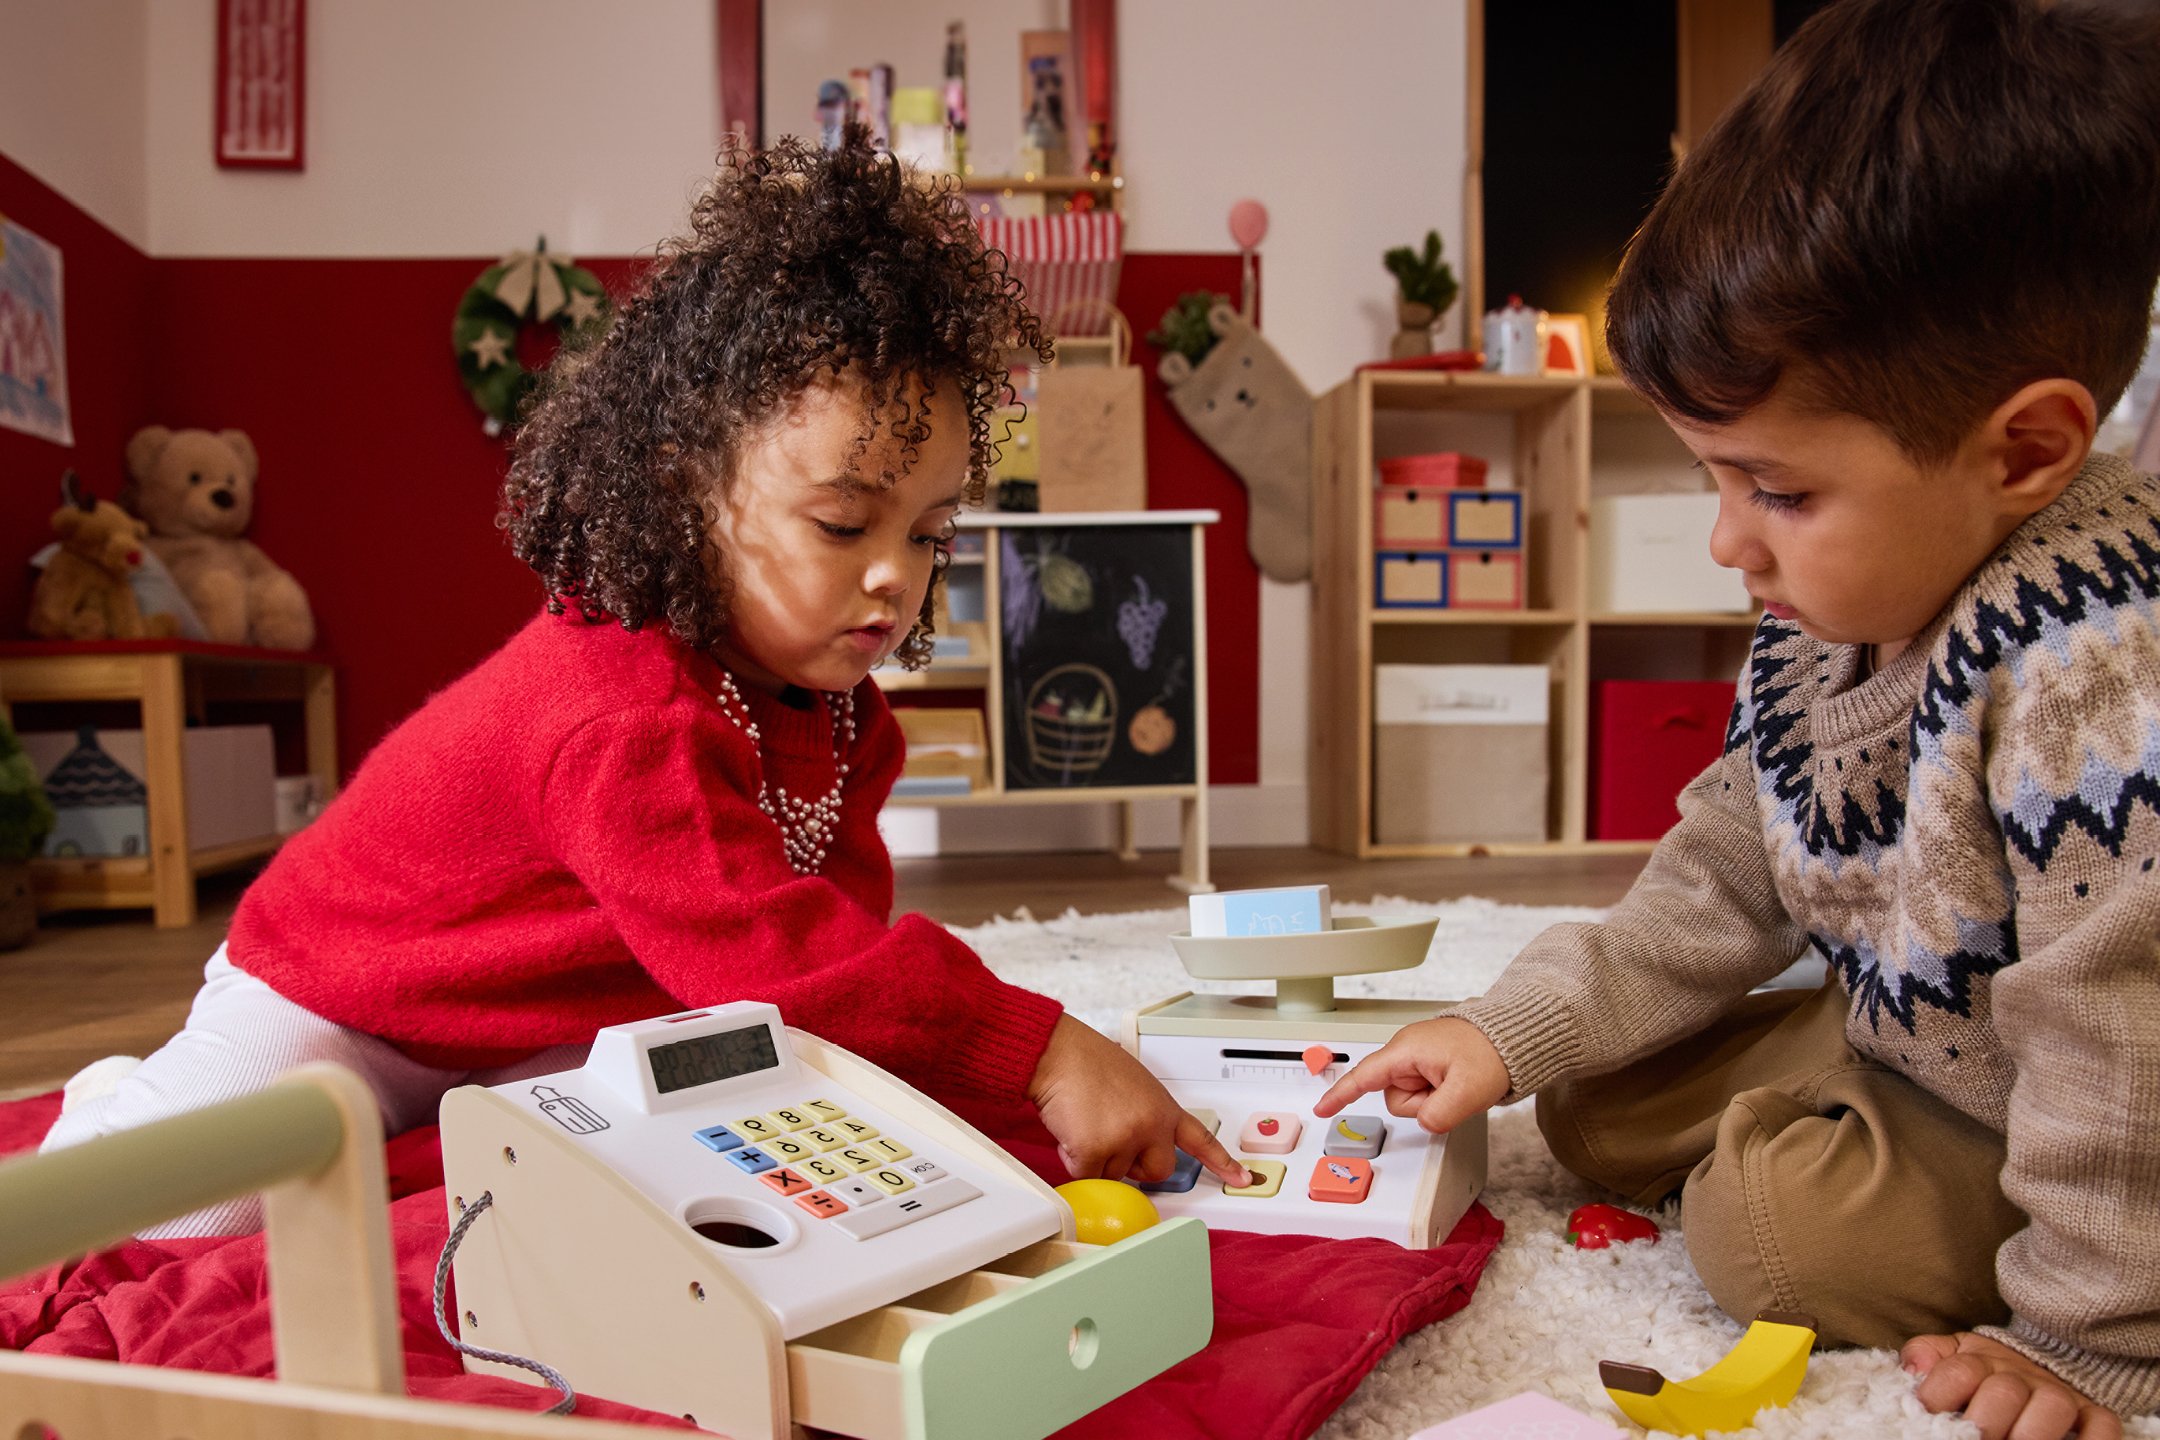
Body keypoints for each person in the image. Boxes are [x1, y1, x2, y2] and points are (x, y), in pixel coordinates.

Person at [44, 132, 1245, 1233]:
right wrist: (1035, 1050)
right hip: (346, 997)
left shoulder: (842, 716)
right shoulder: (621, 709)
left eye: (929, 536)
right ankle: (124, 1101)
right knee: (171, 1210)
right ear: (688, 494)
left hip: (547, 1015)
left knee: (654, 1172)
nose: (895, 579)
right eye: (840, 525)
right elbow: (780, 957)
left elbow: (829, 950)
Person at [1317, 3, 2160, 1437]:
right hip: (1915, 1028)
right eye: (1713, 479)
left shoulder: (2096, 669)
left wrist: (2088, 1333)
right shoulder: (1830, 616)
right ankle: (1802, 1101)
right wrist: (1510, 1030)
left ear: (2023, 450)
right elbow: (1721, 872)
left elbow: (2117, 1034)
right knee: (1582, 1096)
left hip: (2082, 1105)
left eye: (1777, 491)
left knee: (1770, 1237)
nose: (1727, 544)